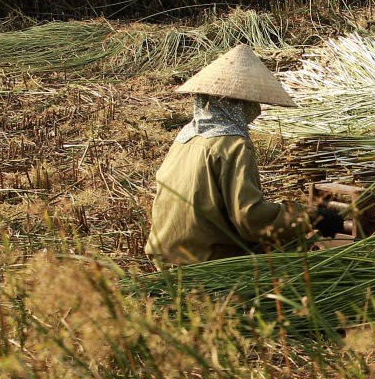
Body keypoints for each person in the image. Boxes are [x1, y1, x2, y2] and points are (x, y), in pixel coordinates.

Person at [144, 44, 345, 265]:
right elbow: (250, 218)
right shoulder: (233, 144)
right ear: (241, 105)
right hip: (203, 261)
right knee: (295, 256)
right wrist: (310, 217)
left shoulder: (187, 135)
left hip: (164, 255)